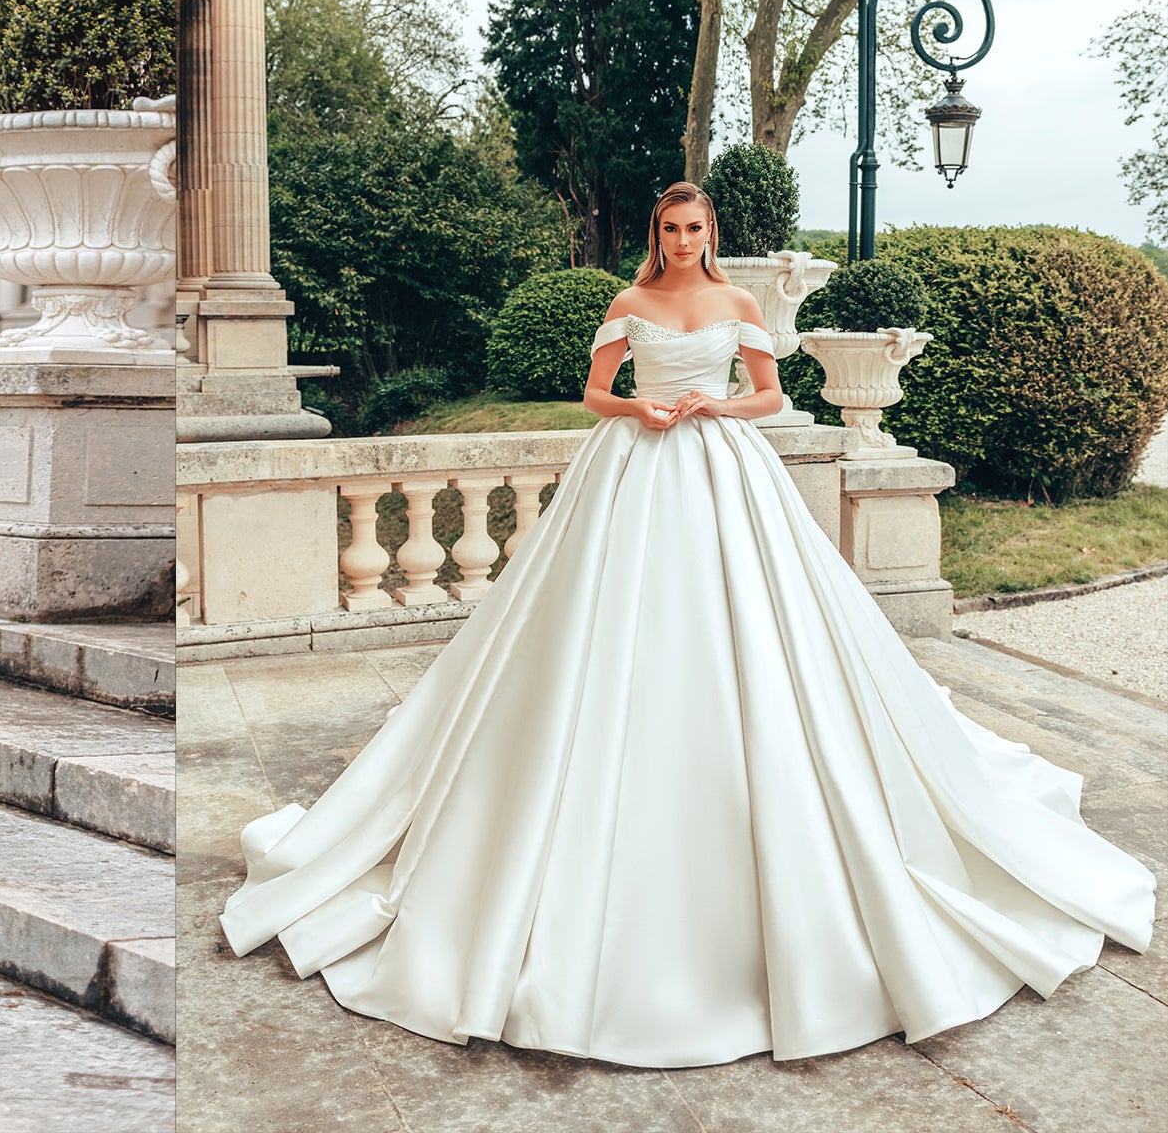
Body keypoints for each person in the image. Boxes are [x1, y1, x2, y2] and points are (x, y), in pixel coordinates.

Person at [218, 181, 1154, 1068]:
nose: (683, 242)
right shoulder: (627, 300)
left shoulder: (741, 306)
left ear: (709, 234)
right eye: (671, 230)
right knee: (597, 630)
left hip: (722, 467)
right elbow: (592, 395)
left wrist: (717, 404)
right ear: (656, 237)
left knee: (754, 631)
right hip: (632, 465)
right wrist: (637, 407)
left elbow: (773, 399)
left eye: (695, 230)